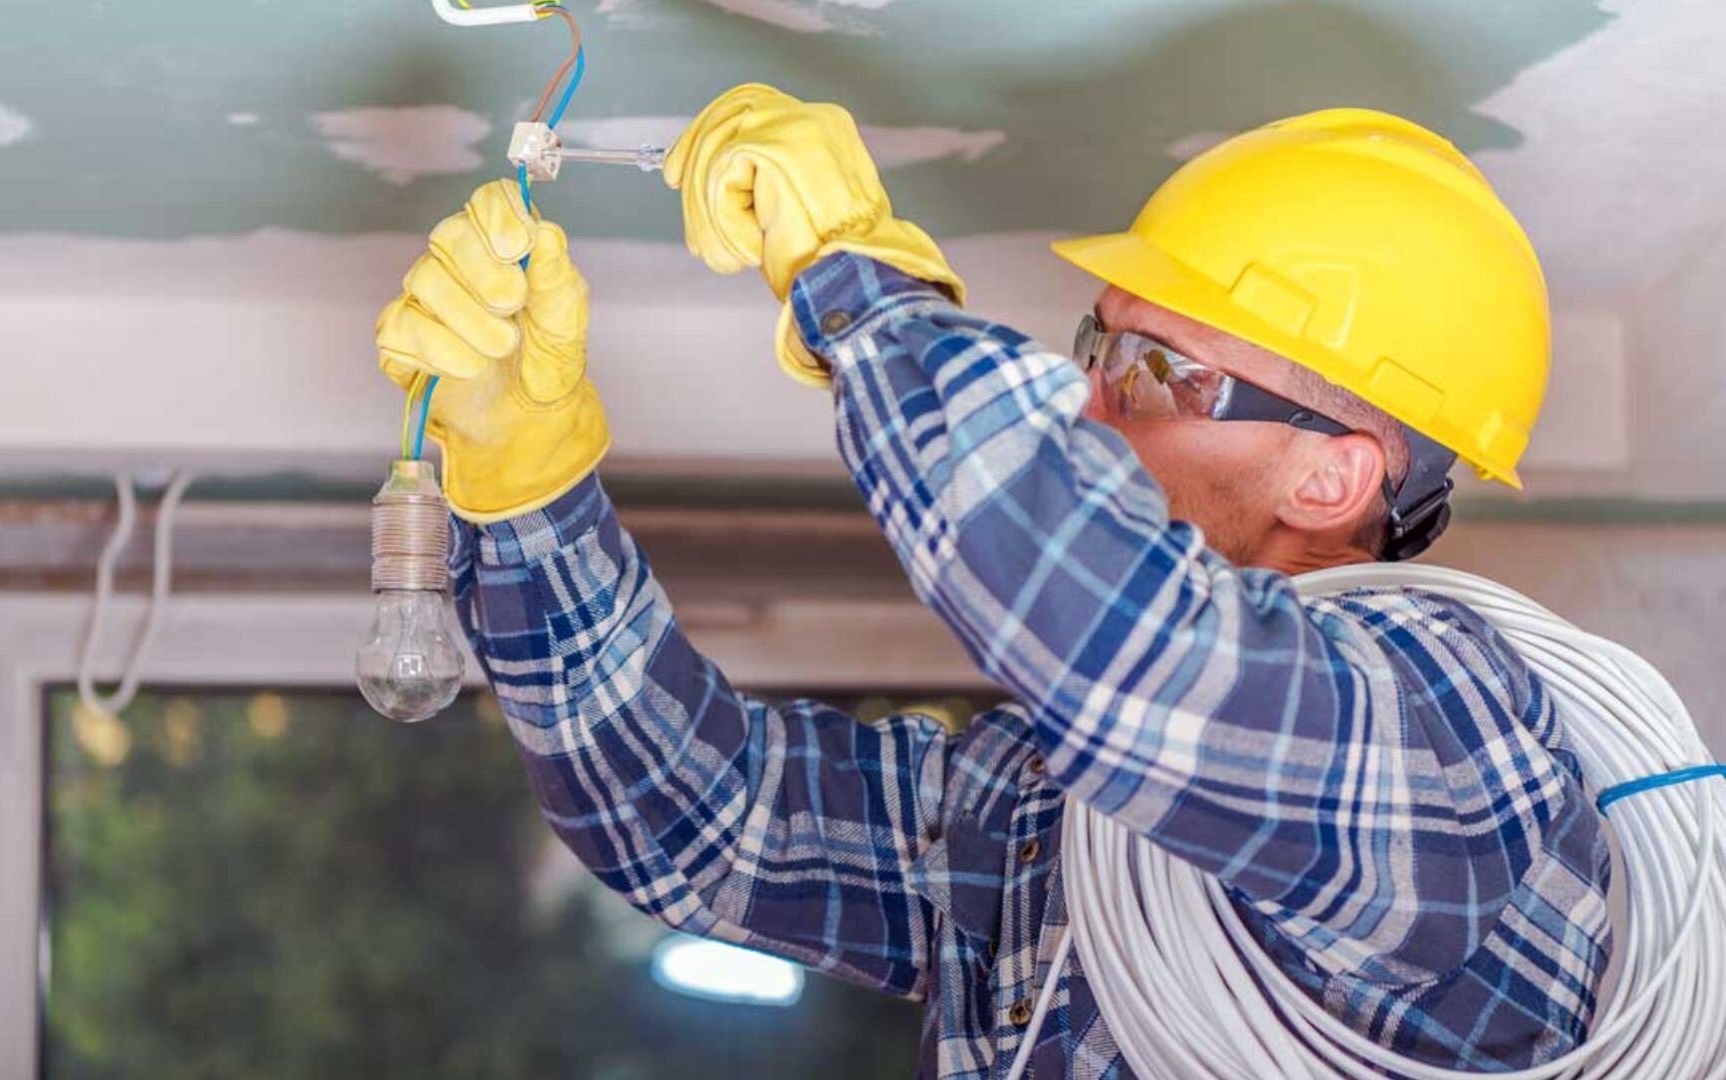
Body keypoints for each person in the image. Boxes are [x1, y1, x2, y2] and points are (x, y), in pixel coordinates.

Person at [374, 84, 1610, 1077]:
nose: (1090, 403)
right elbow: (708, 827)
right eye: (1097, 348)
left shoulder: (1459, 742)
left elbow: (1101, 621)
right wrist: (526, 485)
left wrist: (854, 284)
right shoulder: (1044, 811)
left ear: (1333, 479)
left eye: (1152, 372)